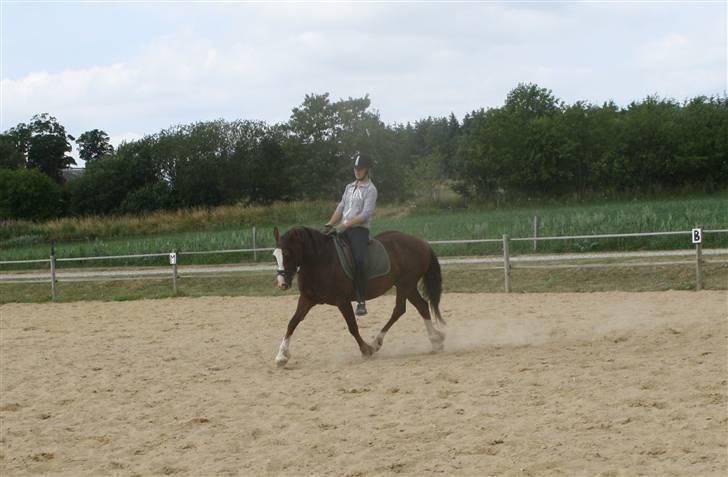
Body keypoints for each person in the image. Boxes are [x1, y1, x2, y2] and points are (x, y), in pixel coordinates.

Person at [324, 152, 378, 316]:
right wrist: (329, 224)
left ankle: (361, 300)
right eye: (355, 169)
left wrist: (344, 225)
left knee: (359, 260)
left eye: (360, 169)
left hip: (358, 230)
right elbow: (341, 208)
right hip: (342, 227)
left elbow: (365, 214)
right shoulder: (349, 187)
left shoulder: (371, 189)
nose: (357, 171)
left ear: (367, 170)